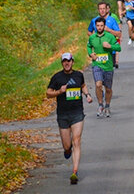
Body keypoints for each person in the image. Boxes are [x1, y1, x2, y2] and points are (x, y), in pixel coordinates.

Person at [46, 52, 93, 185]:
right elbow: (48, 93)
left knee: (76, 140)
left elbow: (82, 85)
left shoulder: (78, 75)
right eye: (64, 61)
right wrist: (59, 92)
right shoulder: (57, 77)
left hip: (77, 112)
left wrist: (87, 95)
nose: (67, 63)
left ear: (72, 62)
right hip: (63, 115)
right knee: (67, 145)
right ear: (62, 63)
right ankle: (67, 150)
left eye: (69, 61)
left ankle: (75, 171)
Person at [87, 17, 121, 118]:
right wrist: (91, 54)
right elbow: (89, 46)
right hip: (97, 65)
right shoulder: (92, 37)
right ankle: (100, 105)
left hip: (108, 66)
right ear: (95, 26)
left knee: (108, 89)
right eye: (98, 26)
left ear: (104, 26)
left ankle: (107, 106)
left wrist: (110, 46)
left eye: (101, 26)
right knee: (98, 84)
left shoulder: (110, 37)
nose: (99, 27)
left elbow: (119, 47)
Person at [88, 2, 122, 67]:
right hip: (98, 51)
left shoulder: (112, 20)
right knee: (97, 72)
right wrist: (94, 38)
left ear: (107, 9)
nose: (102, 10)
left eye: (104, 8)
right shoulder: (94, 20)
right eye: (100, 9)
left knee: (108, 73)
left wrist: (109, 30)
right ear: (98, 10)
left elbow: (119, 34)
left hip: (110, 52)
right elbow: (89, 32)